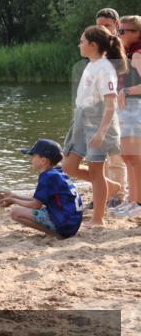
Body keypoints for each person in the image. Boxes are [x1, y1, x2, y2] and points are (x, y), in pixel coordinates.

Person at [61, 25, 126, 227]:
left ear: (93, 44)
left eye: (82, 41)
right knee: (68, 167)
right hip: (82, 117)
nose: (79, 44)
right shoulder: (91, 64)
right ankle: (111, 186)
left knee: (96, 172)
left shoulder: (105, 68)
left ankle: (98, 219)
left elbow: (110, 103)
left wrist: (101, 132)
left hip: (97, 122)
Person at [0, 139, 83, 238]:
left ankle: (56, 234)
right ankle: (57, 232)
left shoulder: (47, 177)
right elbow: (38, 201)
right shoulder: (56, 173)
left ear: (43, 161)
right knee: (25, 209)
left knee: (15, 212)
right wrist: (14, 195)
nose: (31, 159)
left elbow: (35, 205)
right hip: (71, 223)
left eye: (33, 156)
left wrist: (13, 200)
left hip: (64, 225)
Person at [94, 8, 128, 209]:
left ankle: (119, 194)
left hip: (121, 105)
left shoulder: (122, 47)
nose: (103, 29)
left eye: (107, 25)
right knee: (100, 155)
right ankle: (105, 192)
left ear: (116, 24)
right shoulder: (96, 48)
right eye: (99, 26)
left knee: (116, 154)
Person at [112, 15, 141, 217]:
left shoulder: (138, 54)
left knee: (135, 159)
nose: (118, 34)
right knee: (128, 157)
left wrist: (125, 92)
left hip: (135, 109)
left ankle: (137, 203)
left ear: (137, 33)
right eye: (118, 30)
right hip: (127, 109)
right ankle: (132, 200)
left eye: (122, 31)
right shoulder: (129, 53)